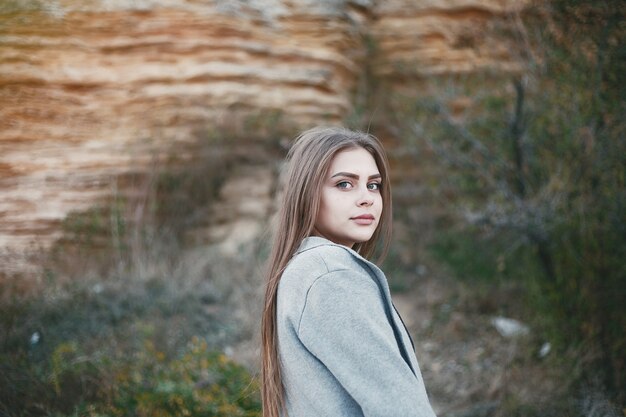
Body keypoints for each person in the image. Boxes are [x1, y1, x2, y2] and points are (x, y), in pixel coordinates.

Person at [261, 127, 437, 417]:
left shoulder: (302, 269)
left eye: (373, 185)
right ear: (306, 193)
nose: (367, 198)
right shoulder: (329, 274)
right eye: (344, 184)